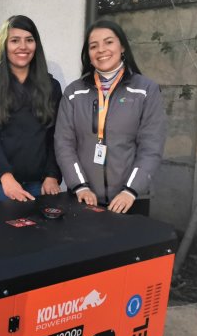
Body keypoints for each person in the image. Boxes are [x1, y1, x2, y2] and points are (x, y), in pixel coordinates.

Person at [54, 20, 166, 215]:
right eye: (93, 46)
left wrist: (130, 191)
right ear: (88, 54)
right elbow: (64, 143)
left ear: (122, 46)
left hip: (130, 200)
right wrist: (80, 186)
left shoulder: (145, 90)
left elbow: (151, 146)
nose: (101, 50)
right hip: (84, 198)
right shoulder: (74, 92)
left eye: (108, 42)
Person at [0, 15, 62, 203]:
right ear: (4, 45)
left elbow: (56, 134)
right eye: (15, 41)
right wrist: (6, 178)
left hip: (40, 183)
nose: (23, 46)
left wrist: (52, 174)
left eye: (29, 40)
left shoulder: (51, 86)